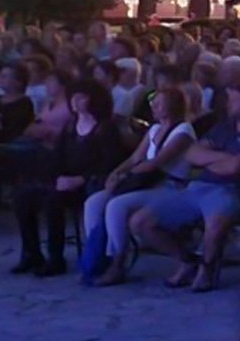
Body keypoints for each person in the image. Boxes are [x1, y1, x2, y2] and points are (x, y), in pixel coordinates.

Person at [126, 81, 240, 292]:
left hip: (232, 192)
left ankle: (207, 270)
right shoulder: (224, 127)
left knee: (215, 222)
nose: (229, 104)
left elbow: (235, 167)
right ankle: (187, 260)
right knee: (140, 222)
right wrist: (223, 158)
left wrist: (212, 160)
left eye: (235, 100)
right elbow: (192, 155)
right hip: (198, 188)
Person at [10, 81, 126, 277]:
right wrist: (54, 177)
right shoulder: (70, 127)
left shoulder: (105, 128)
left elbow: (109, 164)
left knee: (53, 201)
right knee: (23, 196)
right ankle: (32, 253)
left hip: (91, 184)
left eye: (81, 97)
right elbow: (58, 158)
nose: (75, 101)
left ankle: (56, 258)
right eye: (74, 97)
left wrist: (80, 179)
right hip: (65, 180)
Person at [84, 85, 197, 285]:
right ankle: (97, 254)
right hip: (145, 182)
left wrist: (125, 176)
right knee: (94, 202)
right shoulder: (154, 129)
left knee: (117, 205)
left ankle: (118, 261)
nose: (153, 106)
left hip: (169, 186)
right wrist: (116, 172)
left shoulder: (183, 131)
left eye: (159, 103)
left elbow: (158, 162)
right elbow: (137, 157)